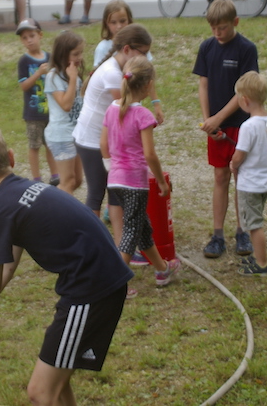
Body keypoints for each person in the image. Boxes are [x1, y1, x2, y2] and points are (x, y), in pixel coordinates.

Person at [0, 124, 133, 406]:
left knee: (40, 392)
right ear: (11, 157)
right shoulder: (20, 193)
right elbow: (2, 274)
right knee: (56, 385)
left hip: (92, 291)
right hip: (96, 282)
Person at [73, 24, 161, 249]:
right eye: (143, 53)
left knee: (115, 195)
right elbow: (128, 110)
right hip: (91, 140)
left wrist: (155, 104)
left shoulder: (121, 69)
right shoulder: (113, 74)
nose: (146, 58)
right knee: (96, 194)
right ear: (127, 49)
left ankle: (120, 245)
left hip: (104, 140)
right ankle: (93, 245)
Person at [100, 56, 180, 298]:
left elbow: (103, 145)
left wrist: (113, 167)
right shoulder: (143, 115)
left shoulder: (112, 108)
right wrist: (162, 181)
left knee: (142, 228)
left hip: (115, 180)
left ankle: (162, 269)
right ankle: (115, 284)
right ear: (148, 85)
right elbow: (149, 154)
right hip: (135, 182)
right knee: (131, 232)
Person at [193, 0, 259, 259]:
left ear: (235, 22)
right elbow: (203, 85)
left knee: (241, 177)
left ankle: (243, 232)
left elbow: (243, 91)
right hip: (216, 128)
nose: (217, 33)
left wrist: (219, 118)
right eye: (213, 28)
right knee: (220, 177)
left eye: (222, 28)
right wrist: (208, 120)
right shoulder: (207, 47)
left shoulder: (246, 49)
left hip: (240, 125)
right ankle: (217, 235)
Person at [229, 71, 267, 276]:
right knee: (256, 219)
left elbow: (240, 154)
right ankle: (258, 256)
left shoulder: (248, 126)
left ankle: (262, 264)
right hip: (264, 182)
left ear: (245, 100)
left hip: (250, 184)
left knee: (254, 225)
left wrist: (233, 164)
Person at [16, 18, 59, 186]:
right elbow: (23, 86)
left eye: (32, 35)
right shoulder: (24, 61)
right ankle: (36, 178)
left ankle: (55, 175)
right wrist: (38, 74)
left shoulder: (49, 57)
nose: (29, 40)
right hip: (33, 113)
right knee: (34, 146)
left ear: (40, 35)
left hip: (50, 111)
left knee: (50, 144)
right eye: (24, 38)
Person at [44, 31, 85, 194]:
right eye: (75, 54)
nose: (79, 57)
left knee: (77, 180)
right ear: (63, 53)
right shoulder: (53, 77)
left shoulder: (74, 75)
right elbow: (66, 105)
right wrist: (73, 79)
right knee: (68, 181)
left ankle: (53, 202)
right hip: (60, 135)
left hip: (75, 133)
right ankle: (48, 205)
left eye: (81, 53)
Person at [93, 0, 132, 68]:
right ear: (106, 24)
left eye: (122, 21)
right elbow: (98, 70)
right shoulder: (102, 48)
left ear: (129, 20)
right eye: (113, 22)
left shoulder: (138, 42)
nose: (119, 26)